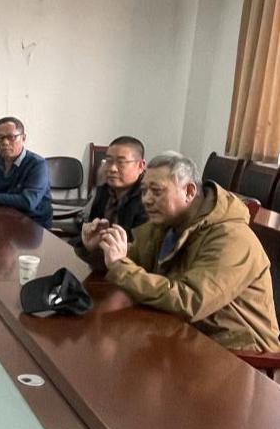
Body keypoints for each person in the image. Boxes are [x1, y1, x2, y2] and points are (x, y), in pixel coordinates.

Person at [87, 151, 280, 352]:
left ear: (189, 191)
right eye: (144, 191)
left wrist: (119, 266)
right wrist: (100, 247)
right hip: (191, 335)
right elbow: (135, 259)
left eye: (156, 191)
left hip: (242, 356)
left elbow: (190, 301)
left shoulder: (232, 239)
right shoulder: (170, 224)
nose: (147, 200)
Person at [74, 136, 147, 252]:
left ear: (140, 166)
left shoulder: (148, 199)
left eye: (121, 162)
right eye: (108, 161)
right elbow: (91, 234)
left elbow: (140, 250)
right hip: (101, 253)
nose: (112, 169)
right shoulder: (104, 190)